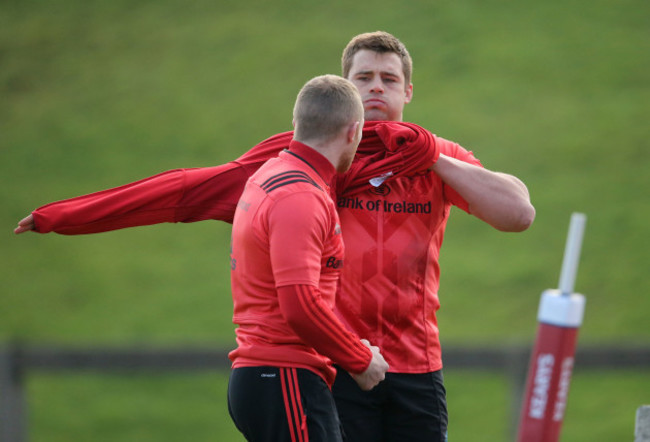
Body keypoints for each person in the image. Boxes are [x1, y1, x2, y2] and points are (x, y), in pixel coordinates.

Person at [15, 31, 535, 442]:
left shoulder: (433, 157)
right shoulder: (299, 164)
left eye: (389, 79)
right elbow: (182, 193)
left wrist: (429, 156)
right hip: (336, 363)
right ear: (344, 89)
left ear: (408, 91)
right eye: (363, 78)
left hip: (415, 366)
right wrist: (62, 216)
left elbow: (517, 213)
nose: (377, 87)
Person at [227, 74, 388, 442]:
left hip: (267, 377)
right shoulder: (301, 195)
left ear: (296, 124)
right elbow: (299, 304)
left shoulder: (270, 174)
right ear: (354, 132)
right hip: (284, 378)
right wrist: (359, 360)